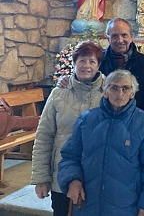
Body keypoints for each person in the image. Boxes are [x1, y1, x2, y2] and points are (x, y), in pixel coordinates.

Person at [57, 70, 144, 216]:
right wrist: (72, 179)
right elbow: (70, 156)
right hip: (88, 204)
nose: (119, 93)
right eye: (114, 87)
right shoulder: (87, 120)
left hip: (126, 207)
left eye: (125, 88)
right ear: (105, 91)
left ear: (133, 93)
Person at [31, 42, 105, 216]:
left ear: (98, 65)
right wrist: (41, 178)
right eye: (82, 60)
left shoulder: (110, 93)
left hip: (97, 175)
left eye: (92, 61)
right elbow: (44, 136)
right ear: (74, 62)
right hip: (62, 175)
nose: (86, 65)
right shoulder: (58, 94)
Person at [100, 18, 144, 111]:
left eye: (124, 35)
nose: (120, 40)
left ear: (131, 37)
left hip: (136, 116)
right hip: (104, 113)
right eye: (114, 36)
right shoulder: (98, 60)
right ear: (108, 38)